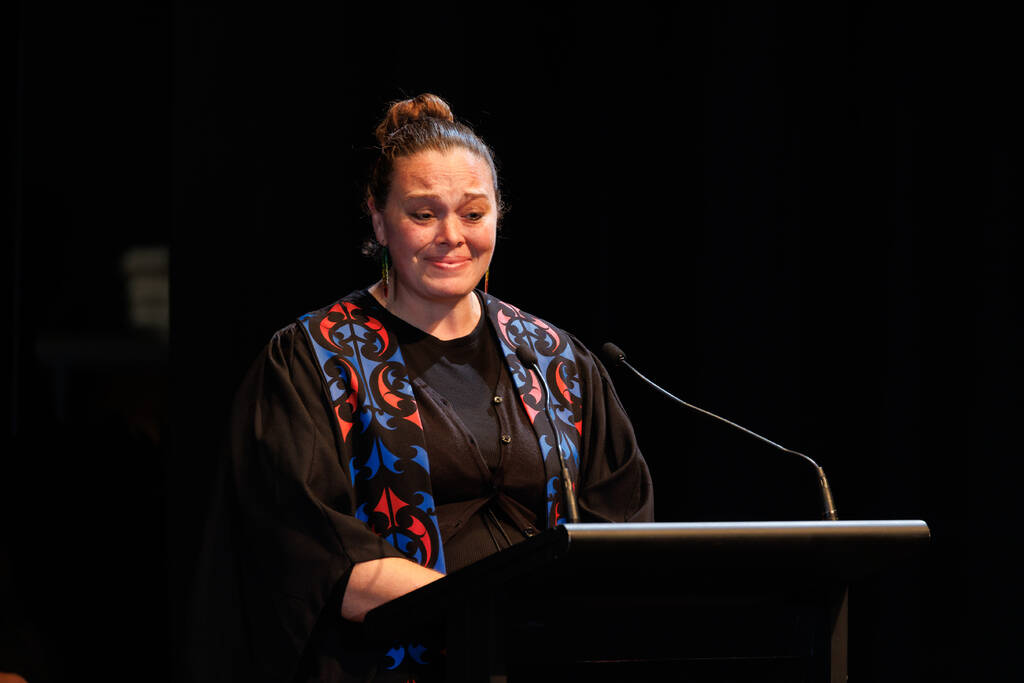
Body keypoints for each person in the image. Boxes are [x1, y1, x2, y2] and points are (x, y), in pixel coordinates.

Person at [183, 93, 653, 682]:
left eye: (473, 214)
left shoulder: (558, 361)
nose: (451, 235)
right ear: (379, 220)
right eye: (424, 214)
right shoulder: (313, 360)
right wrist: (490, 616)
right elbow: (314, 553)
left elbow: (620, 533)